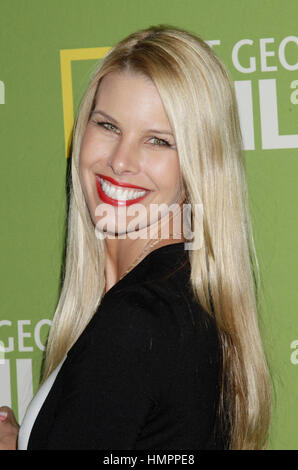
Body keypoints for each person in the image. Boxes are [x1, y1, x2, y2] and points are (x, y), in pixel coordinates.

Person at [0, 25, 272, 450]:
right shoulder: (172, 300)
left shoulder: (137, 321)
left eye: (158, 141)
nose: (120, 161)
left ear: (199, 165)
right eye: (108, 126)